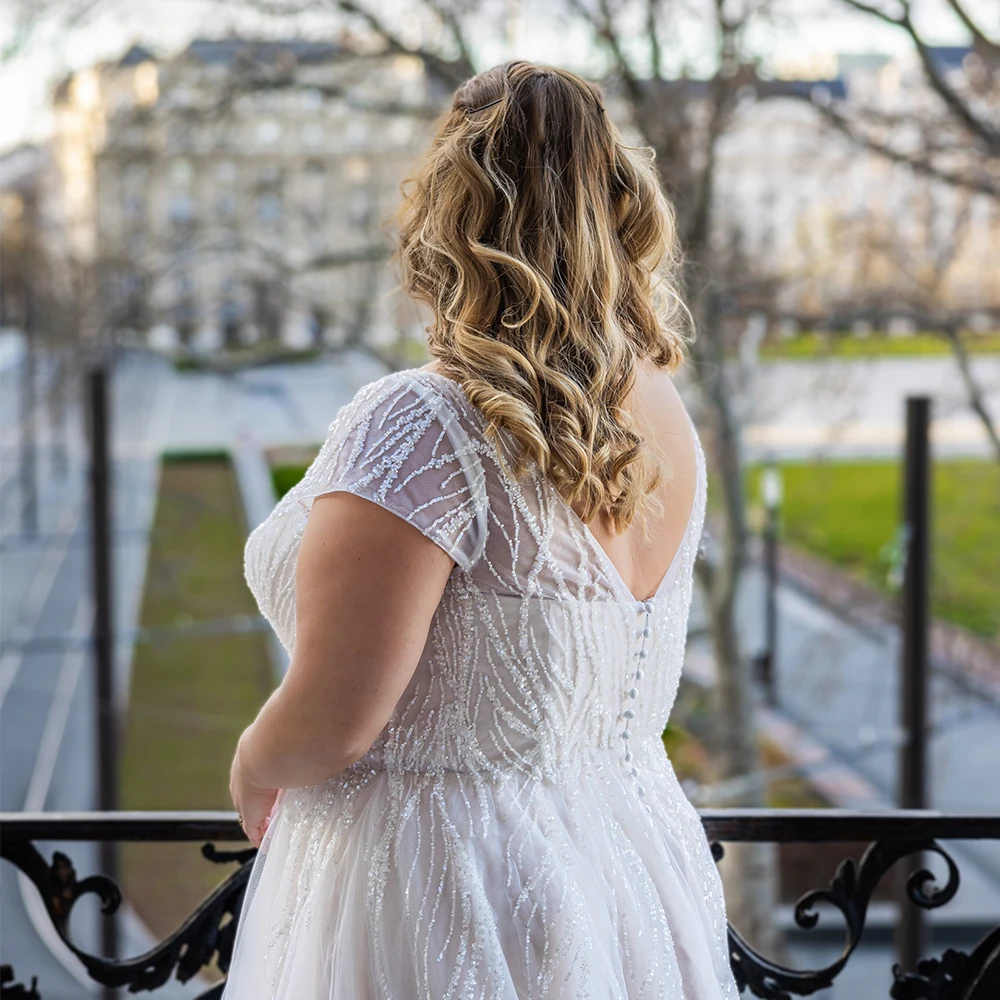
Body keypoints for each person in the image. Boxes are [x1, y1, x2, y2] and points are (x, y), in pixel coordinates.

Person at [224, 60, 739, 999]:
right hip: (627, 873)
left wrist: (255, 760)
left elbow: (334, 719)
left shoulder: (425, 423)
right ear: (619, 208)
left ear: (447, 217)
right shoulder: (662, 411)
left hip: (444, 890)